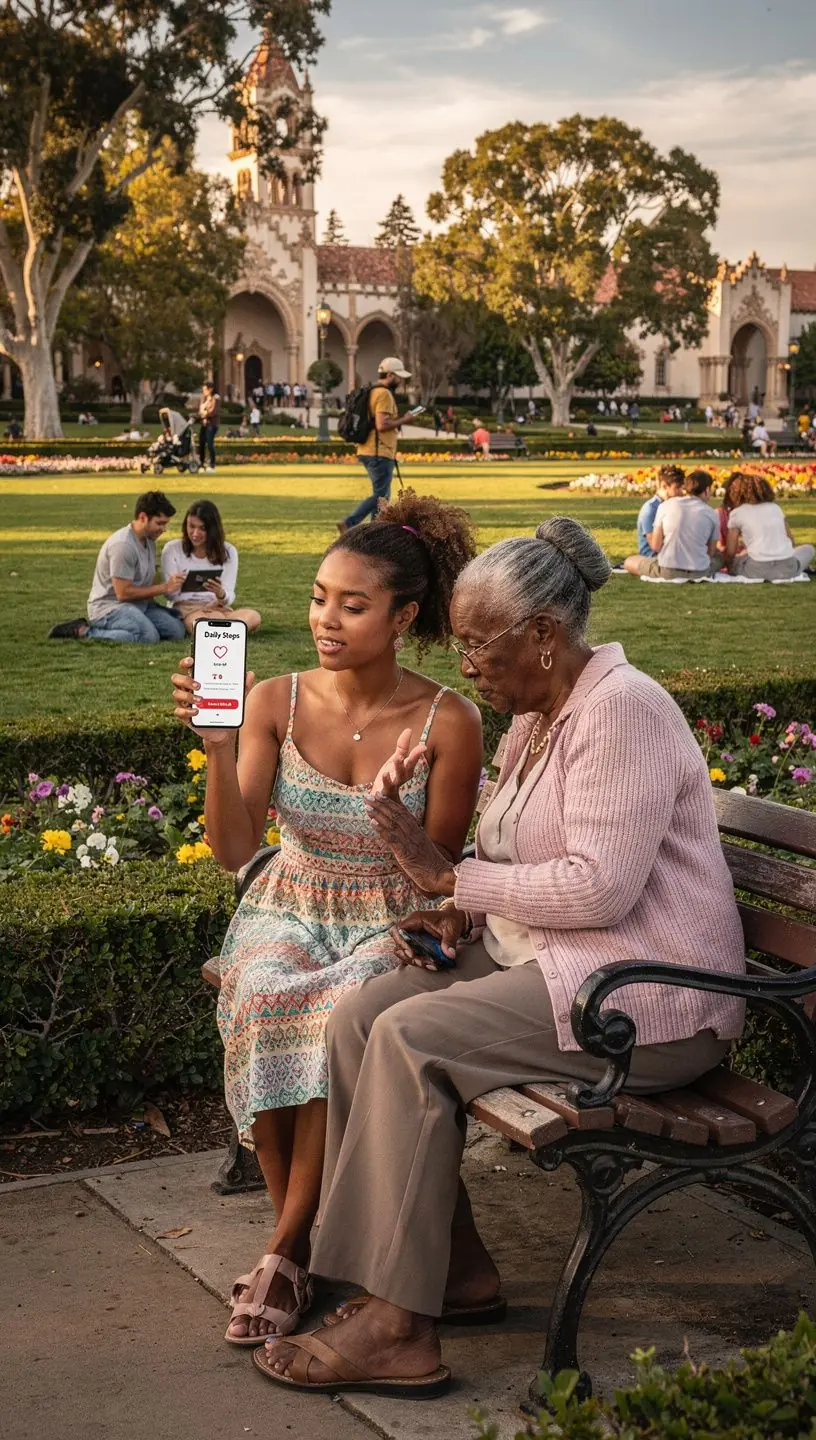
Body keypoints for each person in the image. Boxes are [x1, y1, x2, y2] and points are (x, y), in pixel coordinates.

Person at [258, 517, 746, 1398]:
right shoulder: (539, 714)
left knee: (413, 1041)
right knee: (361, 1015)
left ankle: (400, 1327)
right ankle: (449, 1269)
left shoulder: (621, 710)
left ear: (545, 636)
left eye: (481, 643)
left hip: (650, 997)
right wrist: (457, 910)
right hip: (567, 969)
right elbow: (517, 855)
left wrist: (454, 878)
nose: (468, 663)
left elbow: (601, 891)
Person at [170, 492, 483, 1347]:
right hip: (292, 899)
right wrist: (221, 747)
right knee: (267, 995)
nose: (326, 620)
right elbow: (238, 853)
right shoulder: (274, 698)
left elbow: (440, 880)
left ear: (404, 614)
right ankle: (297, 1246)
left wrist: (400, 828)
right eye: (317, 597)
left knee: (331, 1009)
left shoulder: (448, 721)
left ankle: (284, 1251)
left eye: (352, 604)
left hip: (392, 916)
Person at [49, 491, 187, 643]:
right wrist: (165, 587)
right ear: (143, 517)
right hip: (110, 607)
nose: (164, 529)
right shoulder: (123, 546)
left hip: (139, 605)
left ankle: (136, 626)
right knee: (148, 637)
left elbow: (146, 580)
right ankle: (83, 631)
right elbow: (123, 593)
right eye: (160, 523)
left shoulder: (149, 540)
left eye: (165, 523)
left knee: (177, 631)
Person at [161, 500, 262, 633]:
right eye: (191, 526)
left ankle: (218, 630)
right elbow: (171, 597)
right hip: (186, 607)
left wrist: (220, 593)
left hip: (217, 607)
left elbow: (229, 596)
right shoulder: (172, 549)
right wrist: (173, 586)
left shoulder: (228, 551)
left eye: (202, 528)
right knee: (199, 623)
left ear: (213, 529)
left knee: (253, 617)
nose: (195, 533)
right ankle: (226, 631)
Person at [338, 358, 415, 533]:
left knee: (381, 495)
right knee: (381, 496)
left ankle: (374, 531)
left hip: (368, 448)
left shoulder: (371, 391)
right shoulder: (384, 394)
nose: (400, 381)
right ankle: (350, 522)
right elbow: (382, 424)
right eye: (398, 377)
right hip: (379, 451)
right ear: (389, 375)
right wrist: (406, 419)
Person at [624, 469, 720, 580]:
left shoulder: (665, 505)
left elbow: (656, 546)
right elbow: (711, 552)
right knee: (720, 557)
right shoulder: (711, 513)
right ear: (707, 490)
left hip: (668, 571)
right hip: (699, 572)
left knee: (629, 561)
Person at [724, 472, 814, 580]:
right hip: (787, 569)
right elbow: (790, 541)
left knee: (737, 560)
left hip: (756, 570)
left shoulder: (737, 513)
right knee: (809, 549)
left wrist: (734, 563)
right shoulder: (775, 508)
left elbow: (730, 553)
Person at [634, 464, 685, 558]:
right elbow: (655, 546)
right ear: (664, 486)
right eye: (677, 488)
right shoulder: (650, 509)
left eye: (682, 488)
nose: (681, 492)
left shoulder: (674, 504)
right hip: (653, 557)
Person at [198, 380, 221, 471]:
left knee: (210, 443)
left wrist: (204, 414)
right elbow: (200, 410)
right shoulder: (204, 398)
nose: (204, 391)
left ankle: (212, 465)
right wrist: (200, 415)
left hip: (212, 424)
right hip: (204, 424)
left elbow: (214, 411)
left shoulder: (216, 398)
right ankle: (201, 463)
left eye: (205, 389)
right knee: (201, 444)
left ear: (210, 389)